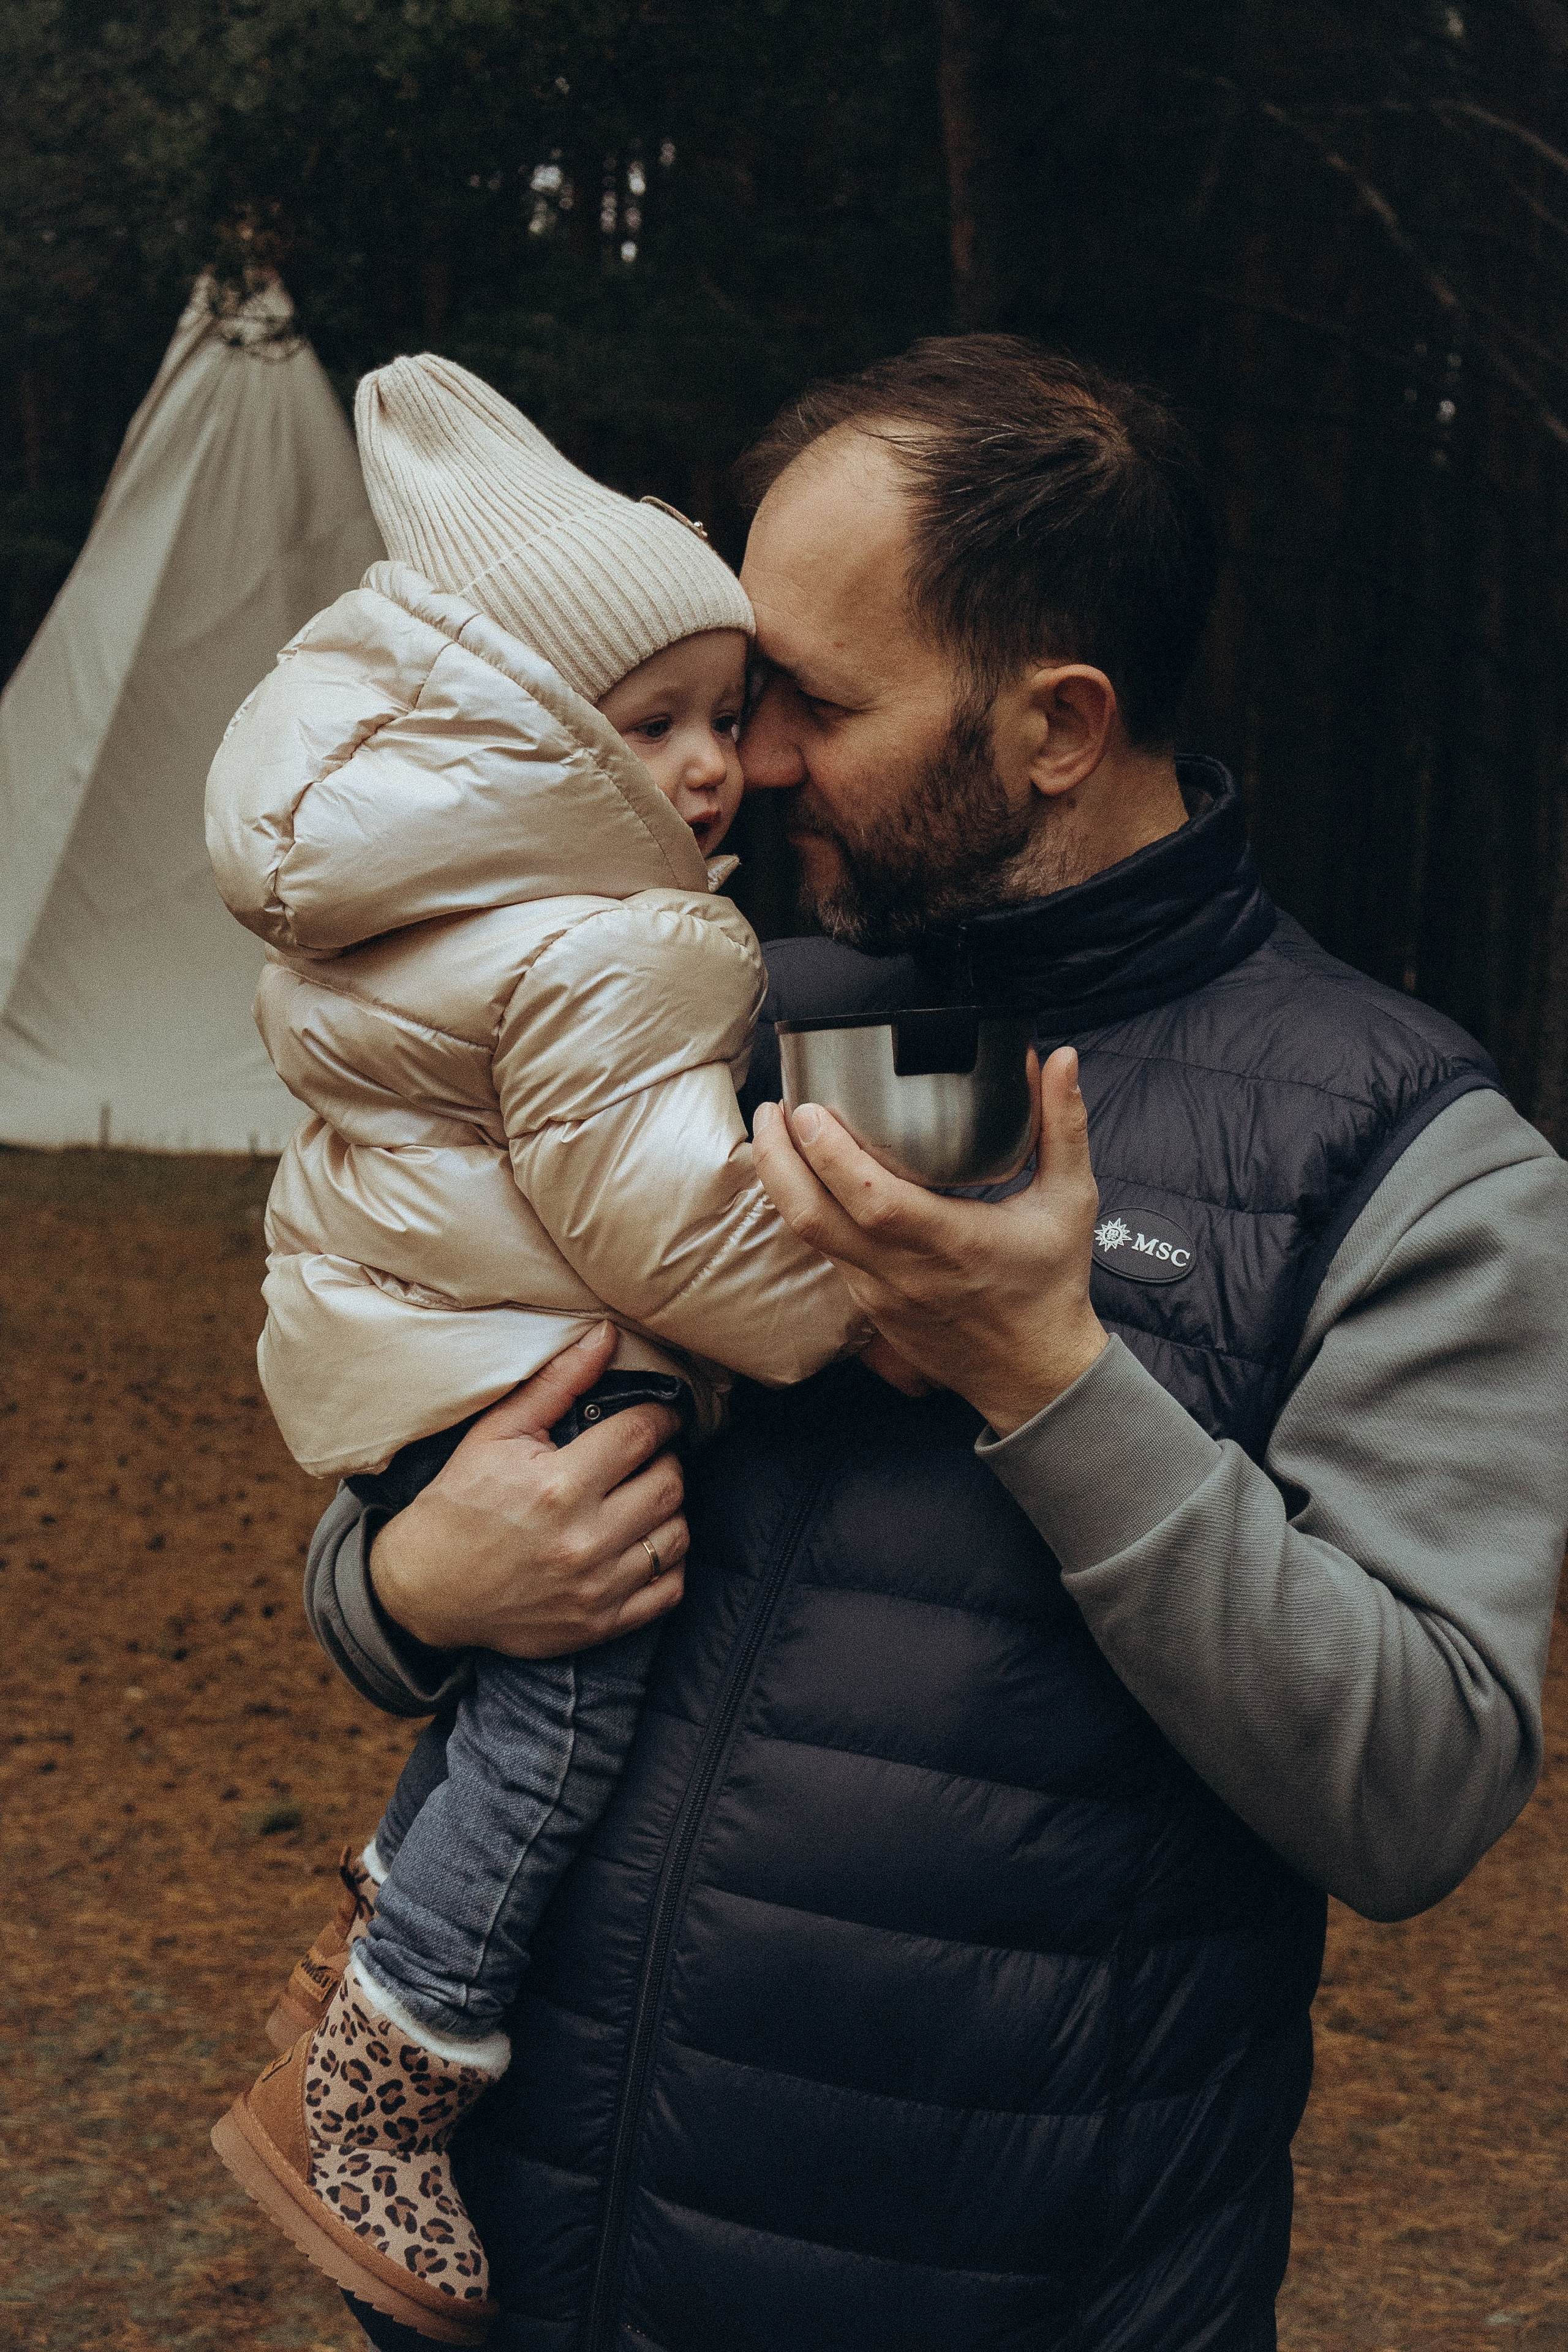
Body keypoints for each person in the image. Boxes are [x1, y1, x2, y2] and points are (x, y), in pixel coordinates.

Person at [299, 337, 1568, 2352]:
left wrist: (1052, 1380)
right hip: (522, 2276)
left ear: (1058, 725)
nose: (754, 755)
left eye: (814, 697)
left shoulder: (1408, 1152)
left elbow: (1416, 1782)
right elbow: (443, 1416)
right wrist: (400, 1585)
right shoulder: (700, 1001)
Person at [203, 355, 865, 2342]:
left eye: (728, 718)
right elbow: (649, 1214)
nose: (713, 770)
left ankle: (368, 2001)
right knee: (566, 1708)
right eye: (653, 723)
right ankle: (383, 2073)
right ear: (525, 736)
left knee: (523, 1711)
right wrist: (847, 1311)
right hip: (512, 1373)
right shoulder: (618, 936)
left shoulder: (449, 900)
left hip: (425, 1359)